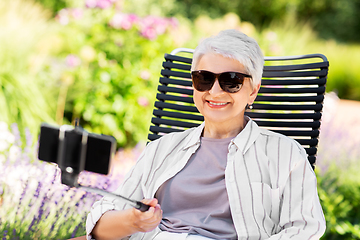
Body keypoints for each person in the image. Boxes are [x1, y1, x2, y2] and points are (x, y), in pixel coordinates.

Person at [86, 29, 326, 240]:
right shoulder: (162, 148)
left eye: (231, 81)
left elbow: (304, 229)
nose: (214, 91)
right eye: (204, 79)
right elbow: (101, 220)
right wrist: (133, 221)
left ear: (253, 91)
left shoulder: (285, 154)